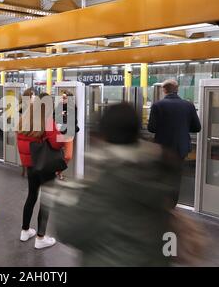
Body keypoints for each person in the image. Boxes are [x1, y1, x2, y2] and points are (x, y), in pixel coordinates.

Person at [52, 103, 178, 266]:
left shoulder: (109, 180)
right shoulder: (157, 169)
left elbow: (68, 231)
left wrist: (61, 197)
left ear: (104, 135)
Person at [17, 95, 65, 249]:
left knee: (31, 196)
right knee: (46, 201)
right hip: (44, 166)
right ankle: (40, 237)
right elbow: (57, 144)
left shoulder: (24, 120)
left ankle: (25, 231)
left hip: (30, 166)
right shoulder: (47, 121)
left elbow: (24, 144)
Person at [148, 79, 201, 206]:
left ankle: (159, 204)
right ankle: (172, 205)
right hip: (180, 148)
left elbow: (152, 128)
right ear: (177, 89)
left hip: (162, 148)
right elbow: (196, 128)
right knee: (176, 178)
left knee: (161, 176)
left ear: (164, 90)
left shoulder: (157, 105)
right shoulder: (188, 105)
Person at [55, 90, 79, 181]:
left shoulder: (73, 108)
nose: (62, 99)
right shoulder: (58, 106)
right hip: (60, 132)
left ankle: (58, 171)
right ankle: (58, 173)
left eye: (64, 97)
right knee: (58, 155)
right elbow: (55, 118)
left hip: (69, 134)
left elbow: (75, 121)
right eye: (62, 97)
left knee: (68, 156)